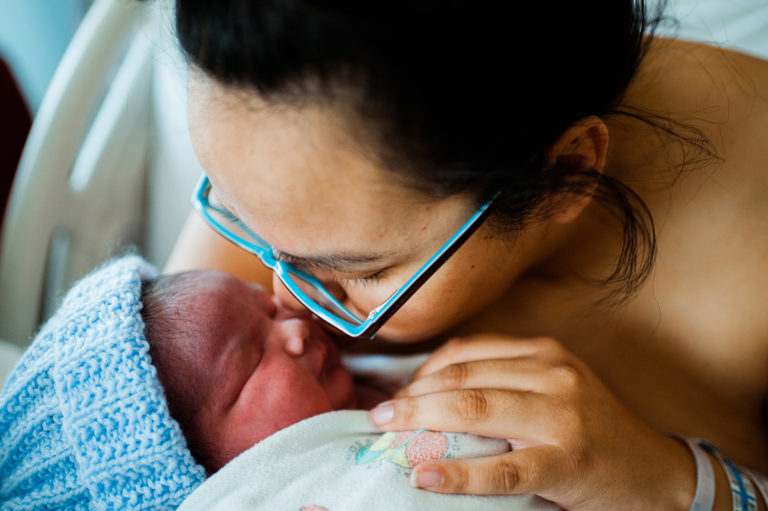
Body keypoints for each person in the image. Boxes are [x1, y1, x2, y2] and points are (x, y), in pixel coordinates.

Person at [163, 0, 768, 508]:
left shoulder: (748, 296)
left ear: (565, 174)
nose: (283, 301)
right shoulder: (293, 115)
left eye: (364, 271)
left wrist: (674, 483)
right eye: (238, 217)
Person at [0, 256, 555, 510]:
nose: (293, 326)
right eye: (249, 360)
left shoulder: (354, 382)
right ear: (200, 474)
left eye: (265, 309)